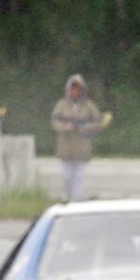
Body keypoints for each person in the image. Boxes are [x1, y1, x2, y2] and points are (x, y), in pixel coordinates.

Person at [51, 74, 112, 202]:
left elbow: (98, 123)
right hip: (66, 148)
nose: (75, 92)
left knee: (79, 177)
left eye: (78, 89)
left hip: (82, 147)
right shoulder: (61, 105)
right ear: (68, 90)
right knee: (67, 177)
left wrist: (84, 128)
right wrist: (65, 127)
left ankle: (76, 201)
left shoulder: (89, 106)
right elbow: (54, 123)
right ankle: (69, 199)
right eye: (72, 89)